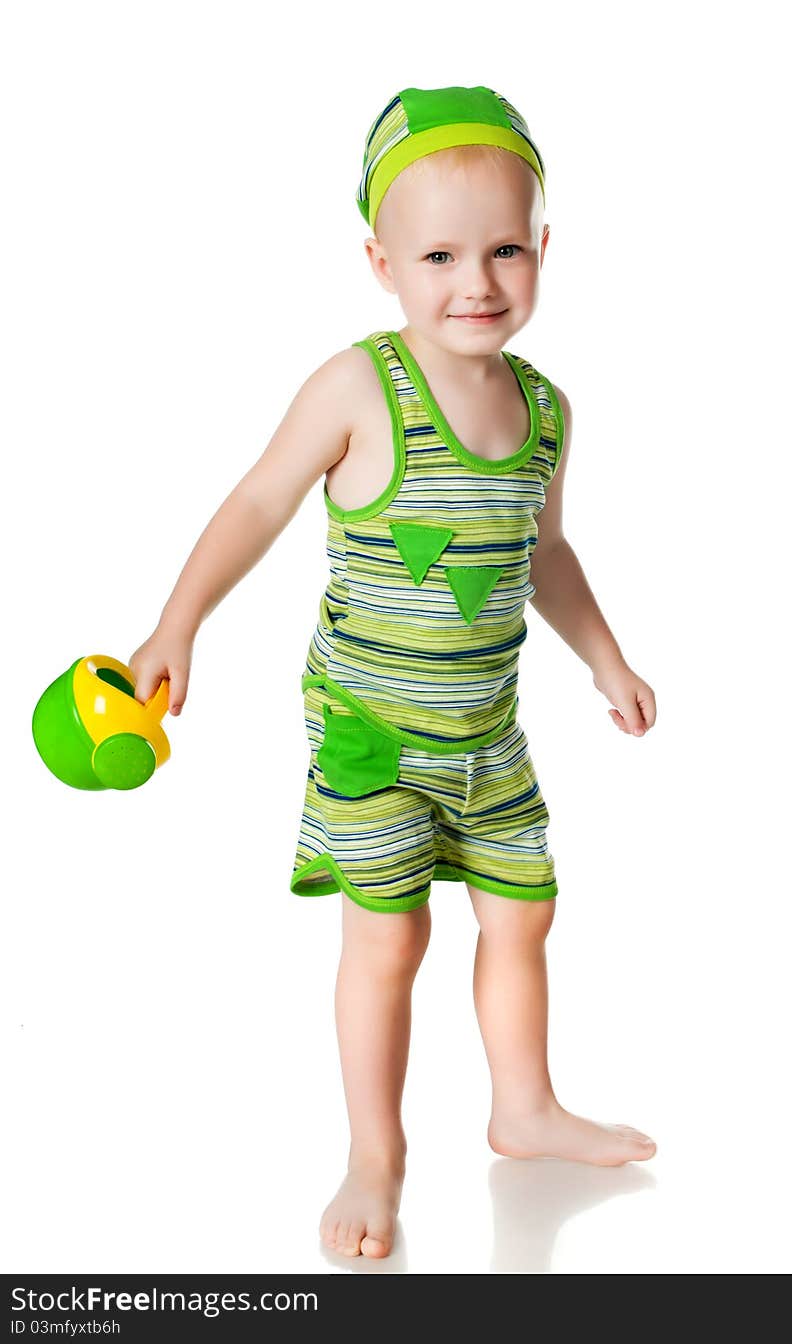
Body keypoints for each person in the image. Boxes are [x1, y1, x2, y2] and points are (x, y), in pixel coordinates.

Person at [129, 84, 658, 1261]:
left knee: (525, 912)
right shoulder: (360, 386)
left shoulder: (545, 409)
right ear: (379, 261)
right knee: (391, 939)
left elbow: (546, 552)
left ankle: (522, 1108)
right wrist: (179, 626)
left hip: (487, 736)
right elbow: (260, 500)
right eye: (438, 253)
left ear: (543, 250)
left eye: (505, 248)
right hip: (370, 734)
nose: (476, 280)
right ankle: (375, 1156)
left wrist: (604, 658)